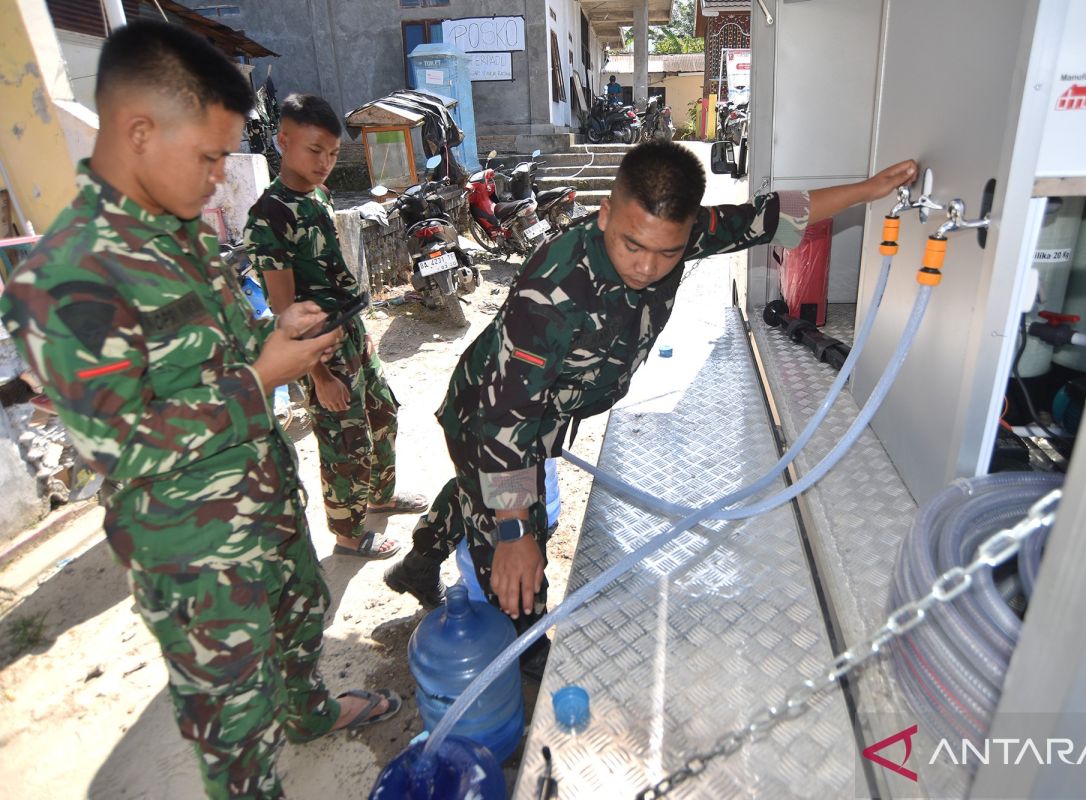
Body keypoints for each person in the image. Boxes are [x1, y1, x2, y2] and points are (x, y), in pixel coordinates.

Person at [0, 21, 399, 799]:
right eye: (211, 157)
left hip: (264, 503)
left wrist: (269, 331)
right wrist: (264, 377)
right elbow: (119, 445)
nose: (221, 178)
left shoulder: (176, 236)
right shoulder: (67, 276)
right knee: (235, 727)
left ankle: (312, 713)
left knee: (299, 627)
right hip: (197, 556)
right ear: (139, 131)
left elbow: (214, 345)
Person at [384, 139, 917, 675]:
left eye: (669, 252)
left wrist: (871, 190)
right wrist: (515, 535)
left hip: (542, 410)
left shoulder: (673, 233)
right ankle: (522, 650)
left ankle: (419, 562)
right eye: (632, 245)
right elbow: (507, 421)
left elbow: (765, 217)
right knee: (515, 553)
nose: (646, 267)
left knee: (474, 494)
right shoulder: (553, 285)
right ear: (607, 212)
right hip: (492, 416)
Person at [244, 94, 427, 561]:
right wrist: (319, 376)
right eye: (314, 150)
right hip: (317, 347)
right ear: (283, 141)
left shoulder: (319, 195)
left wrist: (359, 330)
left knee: (383, 412)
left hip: (350, 330)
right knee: (345, 439)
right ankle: (348, 535)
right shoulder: (270, 216)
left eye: (331, 152)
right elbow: (285, 311)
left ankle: (380, 495)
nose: (325, 162)